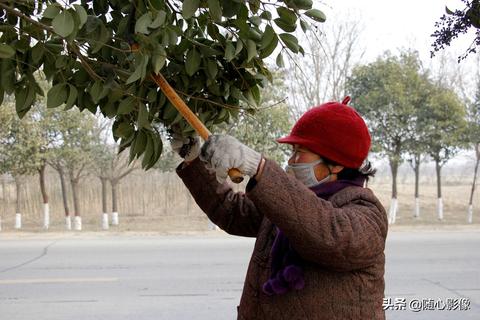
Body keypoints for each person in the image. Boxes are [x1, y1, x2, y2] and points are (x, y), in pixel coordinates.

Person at [171, 97, 388, 320]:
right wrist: (194, 160)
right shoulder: (285, 203)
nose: (292, 161)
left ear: (336, 163)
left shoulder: (366, 212)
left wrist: (260, 168)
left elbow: (328, 234)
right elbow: (233, 212)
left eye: (300, 152)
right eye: (291, 152)